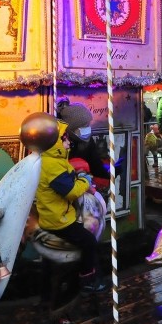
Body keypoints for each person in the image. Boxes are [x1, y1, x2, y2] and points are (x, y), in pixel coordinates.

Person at [35, 120, 106, 293]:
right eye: (65, 140)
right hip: (59, 220)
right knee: (89, 241)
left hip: (58, 214)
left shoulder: (54, 160)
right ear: (55, 143)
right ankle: (87, 278)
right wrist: (84, 181)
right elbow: (71, 191)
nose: (69, 143)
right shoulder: (52, 166)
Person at [57, 100, 109, 188]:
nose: (87, 128)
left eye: (88, 124)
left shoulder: (87, 141)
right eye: (83, 126)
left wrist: (110, 171)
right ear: (70, 128)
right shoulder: (59, 143)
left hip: (82, 184)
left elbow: (95, 166)